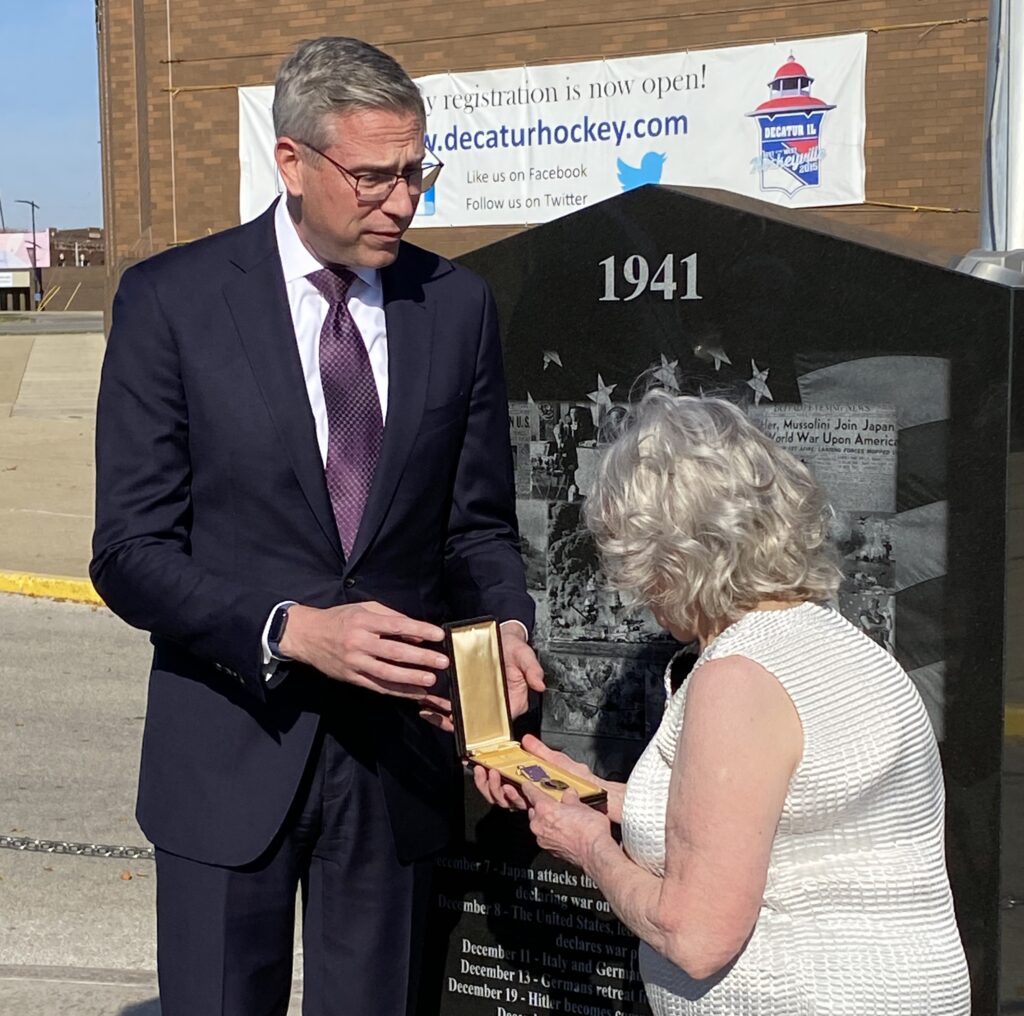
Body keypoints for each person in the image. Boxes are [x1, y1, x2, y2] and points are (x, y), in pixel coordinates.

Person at [91, 36, 542, 1016]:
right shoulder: (171, 302)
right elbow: (128, 551)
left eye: (416, 171)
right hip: (227, 749)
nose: (404, 200)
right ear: (290, 160)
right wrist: (291, 627)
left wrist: (505, 623)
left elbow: (477, 527)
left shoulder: (455, 306)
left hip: (395, 767)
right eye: (374, 176)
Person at [477, 391, 970, 1015]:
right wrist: (597, 795)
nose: (628, 588)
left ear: (672, 557)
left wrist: (586, 844)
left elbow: (695, 935)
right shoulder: (840, 644)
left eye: (629, 558)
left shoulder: (738, 678)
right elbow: (760, 817)